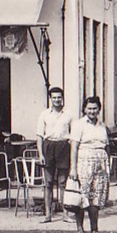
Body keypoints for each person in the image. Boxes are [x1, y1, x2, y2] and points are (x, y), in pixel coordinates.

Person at [68, 95, 112, 233]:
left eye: (95, 108)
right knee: (82, 196)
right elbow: (74, 147)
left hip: (100, 163)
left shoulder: (102, 126)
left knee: (96, 197)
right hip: (84, 161)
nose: (92, 111)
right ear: (84, 109)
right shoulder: (78, 124)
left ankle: (95, 230)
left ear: (99, 109)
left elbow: (107, 146)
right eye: (89, 108)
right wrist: (73, 168)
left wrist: (108, 166)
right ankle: (80, 231)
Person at [35, 87, 73, 222]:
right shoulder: (44, 114)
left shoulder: (68, 114)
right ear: (50, 99)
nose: (57, 100)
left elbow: (73, 136)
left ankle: (65, 214)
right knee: (48, 183)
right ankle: (48, 214)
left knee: (63, 183)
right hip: (49, 146)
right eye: (54, 97)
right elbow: (39, 136)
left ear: (62, 98)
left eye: (59, 97)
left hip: (63, 146)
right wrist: (41, 154)